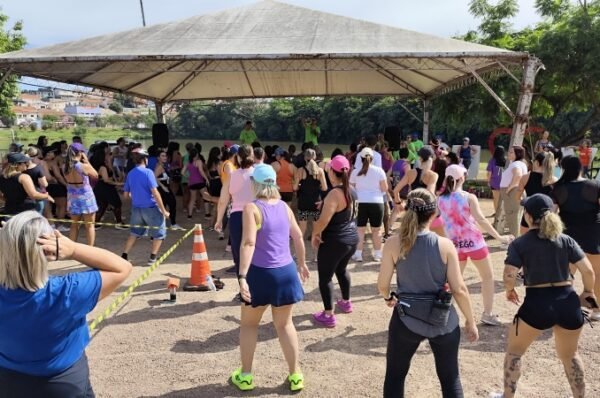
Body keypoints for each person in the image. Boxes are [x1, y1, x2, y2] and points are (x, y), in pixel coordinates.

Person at [0, 211, 132, 397]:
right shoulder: (67, 291)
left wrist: (10, 242)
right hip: (64, 382)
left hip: (8, 381)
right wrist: (74, 249)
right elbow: (122, 267)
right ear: (47, 251)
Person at [492, 194, 596, 398]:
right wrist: (588, 291)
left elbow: (509, 274)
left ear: (528, 216)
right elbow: (588, 271)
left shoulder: (520, 243)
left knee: (515, 352)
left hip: (537, 303)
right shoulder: (566, 240)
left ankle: (507, 396)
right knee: (571, 356)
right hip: (568, 301)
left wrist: (509, 289)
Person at [377, 188, 479, 398]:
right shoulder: (445, 245)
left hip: (406, 318)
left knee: (395, 375)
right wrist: (471, 320)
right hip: (442, 318)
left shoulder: (393, 243)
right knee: (450, 378)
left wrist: (388, 297)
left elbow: (383, 284)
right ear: (434, 214)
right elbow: (459, 289)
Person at [232, 164, 310, 392]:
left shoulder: (251, 208)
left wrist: (242, 276)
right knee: (285, 325)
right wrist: (302, 263)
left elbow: (248, 243)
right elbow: (297, 236)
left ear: (254, 183)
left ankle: (245, 376)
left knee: (248, 325)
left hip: (260, 273)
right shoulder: (285, 207)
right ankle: (295, 375)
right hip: (286, 272)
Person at [438, 164, 512, 326]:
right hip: (475, 243)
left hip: (455, 245)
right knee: (487, 277)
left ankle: (442, 313)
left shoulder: (440, 199)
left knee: (454, 281)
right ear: (462, 178)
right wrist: (499, 237)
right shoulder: (468, 197)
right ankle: (488, 313)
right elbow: (481, 220)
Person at [310, 155, 358, 327]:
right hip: (351, 239)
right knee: (342, 269)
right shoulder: (351, 190)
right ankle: (346, 302)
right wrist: (325, 202)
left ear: (332, 172)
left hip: (335, 241)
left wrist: (315, 234)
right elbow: (344, 210)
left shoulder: (334, 193)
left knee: (325, 277)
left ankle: (329, 314)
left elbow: (323, 220)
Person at [552, 155, 600, 321]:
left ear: (563, 169)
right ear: (581, 167)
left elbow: (552, 214)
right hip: (593, 232)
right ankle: (596, 310)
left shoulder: (558, 188)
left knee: (566, 275)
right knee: (596, 273)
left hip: (568, 234)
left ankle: (567, 310)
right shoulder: (594, 185)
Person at [121, 148, 170, 266]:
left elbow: (126, 195)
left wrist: (136, 197)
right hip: (151, 207)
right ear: (144, 159)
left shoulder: (131, 173)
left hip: (137, 208)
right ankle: (152, 258)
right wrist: (164, 210)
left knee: (134, 233)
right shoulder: (148, 173)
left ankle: (124, 255)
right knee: (159, 233)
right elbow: (155, 192)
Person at [215, 145, 254, 275]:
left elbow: (223, 200)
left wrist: (219, 220)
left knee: (238, 254)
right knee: (256, 251)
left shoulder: (232, 176)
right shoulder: (258, 174)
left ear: (238, 156)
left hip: (237, 216)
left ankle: (242, 288)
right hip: (255, 215)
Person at [350, 147, 388, 262]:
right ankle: (377, 254)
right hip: (377, 202)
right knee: (376, 230)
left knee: (360, 229)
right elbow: (384, 188)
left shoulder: (355, 171)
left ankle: (358, 254)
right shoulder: (379, 171)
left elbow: (351, 188)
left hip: (360, 202)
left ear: (361, 158)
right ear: (372, 158)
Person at [64, 143, 98, 247]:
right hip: (86, 196)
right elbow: (96, 175)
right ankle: (90, 249)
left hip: (72, 196)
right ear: (81, 152)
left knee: (74, 225)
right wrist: (87, 161)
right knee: (90, 226)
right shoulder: (83, 166)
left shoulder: (65, 167)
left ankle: (71, 247)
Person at [0, 153, 53, 217]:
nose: (27, 164)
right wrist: (46, 196)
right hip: (25, 212)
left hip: (10, 211)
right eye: (25, 162)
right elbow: (33, 195)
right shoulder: (24, 177)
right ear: (17, 165)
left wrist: (10, 200)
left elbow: (1, 196)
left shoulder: (2, 177)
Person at [517, 152, 556, 234]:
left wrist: (524, 202)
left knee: (525, 241)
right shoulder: (554, 180)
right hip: (547, 216)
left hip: (529, 214)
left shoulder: (525, 177)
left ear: (537, 163)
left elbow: (517, 198)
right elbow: (556, 203)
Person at [294, 148, 328, 239]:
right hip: (316, 202)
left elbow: (294, 187)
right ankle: (318, 247)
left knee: (302, 227)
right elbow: (325, 188)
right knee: (317, 227)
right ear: (315, 157)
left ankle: (299, 246)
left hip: (303, 202)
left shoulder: (300, 170)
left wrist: (300, 186)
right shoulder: (320, 171)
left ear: (305, 157)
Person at [91, 144, 126, 229]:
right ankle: (119, 223)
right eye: (107, 155)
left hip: (102, 187)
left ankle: (96, 223)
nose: (109, 155)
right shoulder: (102, 167)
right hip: (105, 187)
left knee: (103, 205)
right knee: (117, 203)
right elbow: (106, 180)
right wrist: (119, 184)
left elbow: (110, 174)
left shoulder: (104, 165)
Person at [496, 146, 528, 237]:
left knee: (512, 216)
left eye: (511, 152)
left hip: (512, 192)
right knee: (516, 216)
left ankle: (515, 240)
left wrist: (509, 188)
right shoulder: (521, 163)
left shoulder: (515, 164)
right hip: (517, 191)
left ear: (517, 154)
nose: (508, 154)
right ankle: (517, 239)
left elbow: (518, 175)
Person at [154, 150, 183, 230]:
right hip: (162, 188)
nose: (165, 157)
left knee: (164, 204)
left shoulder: (163, 165)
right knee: (172, 203)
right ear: (158, 158)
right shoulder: (159, 166)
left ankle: (163, 223)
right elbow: (153, 177)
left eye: (165, 156)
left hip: (165, 187)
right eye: (162, 156)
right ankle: (173, 223)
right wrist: (163, 186)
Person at [44, 145, 69, 232]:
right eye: (51, 152)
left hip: (46, 187)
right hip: (57, 186)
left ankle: (49, 225)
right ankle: (60, 225)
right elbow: (58, 176)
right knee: (62, 206)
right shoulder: (52, 163)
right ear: (47, 154)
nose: (53, 153)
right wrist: (66, 184)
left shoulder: (41, 163)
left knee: (48, 208)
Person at [186, 148, 211, 220]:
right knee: (206, 197)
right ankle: (207, 214)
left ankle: (189, 216)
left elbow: (182, 172)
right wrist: (206, 179)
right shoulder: (199, 161)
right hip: (200, 182)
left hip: (192, 183)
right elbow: (201, 171)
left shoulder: (188, 162)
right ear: (197, 154)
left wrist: (189, 178)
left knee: (192, 199)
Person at [388, 147, 410, 226]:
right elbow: (408, 175)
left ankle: (389, 228)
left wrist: (390, 186)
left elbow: (387, 175)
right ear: (407, 155)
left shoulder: (395, 163)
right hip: (403, 188)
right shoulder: (406, 164)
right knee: (400, 208)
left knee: (396, 209)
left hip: (395, 187)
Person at [24, 147, 49, 214]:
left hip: (24, 197)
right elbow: (45, 184)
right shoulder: (37, 168)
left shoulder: (21, 169)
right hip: (37, 195)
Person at [487, 146, 507, 219]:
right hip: (504, 183)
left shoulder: (492, 161)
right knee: (503, 199)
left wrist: (488, 181)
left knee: (496, 198)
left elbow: (489, 172)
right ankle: (503, 213)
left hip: (494, 182)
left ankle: (497, 212)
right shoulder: (506, 161)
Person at [205, 146, 223, 226]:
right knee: (220, 204)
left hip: (212, 183)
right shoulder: (219, 163)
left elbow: (208, 175)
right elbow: (221, 174)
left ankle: (212, 224)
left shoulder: (209, 162)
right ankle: (217, 224)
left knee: (215, 205)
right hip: (219, 183)